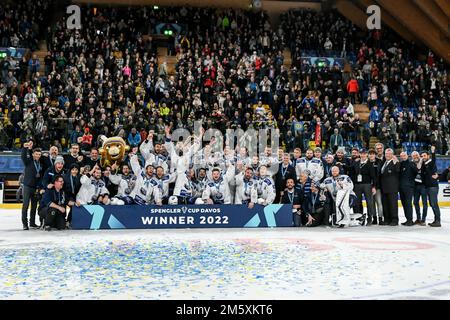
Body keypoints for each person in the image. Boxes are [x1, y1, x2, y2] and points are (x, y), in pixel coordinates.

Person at [20, 141, 43, 230]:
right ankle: (25, 224)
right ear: (33, 154)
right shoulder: (28, 162)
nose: (38, 156)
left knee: (34, 206)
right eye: (36, 154)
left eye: (39, 154)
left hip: (35, 187)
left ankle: (32, 223)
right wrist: (25, 148)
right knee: (25, 205)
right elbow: (23, 156)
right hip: (27, 186)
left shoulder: (40, 163)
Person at [352, 149, 376, 225]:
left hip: (367, 185)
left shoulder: (370, 164)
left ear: (367, 155)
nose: (363, 155)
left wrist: (374, 186)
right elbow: (351, 170)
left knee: (369, 202)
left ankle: (369, 218)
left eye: (364, 154)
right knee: (358, 202)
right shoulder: (356, 163)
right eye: (361, 154)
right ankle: (359, 218)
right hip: (357, 185)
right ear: (360, 154)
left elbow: (373, 176)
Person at [378, 148, 400, 226]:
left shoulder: (395, 162)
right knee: (385, 204)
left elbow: (398, 171)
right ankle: (387, 219)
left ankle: (394, 220)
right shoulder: (384, 162)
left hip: (392, 187)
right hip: (384, 187)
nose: (388, 155)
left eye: (389, 154)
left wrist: (396, 163)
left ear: (392, 155)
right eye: (386, 154)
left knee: (393, 204)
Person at [420, 147, 441, 227]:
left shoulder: (431, 162)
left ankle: (438, 221)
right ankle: (436, 220)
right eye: (422, 156)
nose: (423, 157)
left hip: (433, 187)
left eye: (424, 156)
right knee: (432, 204)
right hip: (428, 187)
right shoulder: (424, 164)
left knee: (434, 204)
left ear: (428, 156)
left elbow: (434, 159)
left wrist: (433, 152)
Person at [399, 152, 418, 226]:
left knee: (408, 203)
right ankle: (408, 219)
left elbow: (417, 172)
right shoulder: (400, 164)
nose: (403, 157)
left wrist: (411, 181)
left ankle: (410, 220)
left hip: (409, 187)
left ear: (407, 156)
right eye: (401, 156)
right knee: (404, 204)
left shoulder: (411, 163)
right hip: (401, 187)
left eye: (404, 155)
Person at [411, 151, 427, 226]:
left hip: (423, 185)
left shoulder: (424, 162)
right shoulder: (411, 163)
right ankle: (418, 218)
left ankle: (423, 219)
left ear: (418, 155)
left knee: (424, 203)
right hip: (415, 186)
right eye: (413, 156)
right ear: (412, 157)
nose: (415, 156)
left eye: (416, 155)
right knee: (415, 202)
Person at [369, 148, 383, 225]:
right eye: (370, 154)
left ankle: (380, 218)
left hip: (377, 186)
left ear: (375, 155)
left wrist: (375, 186)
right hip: (369, 186)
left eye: (373, 154)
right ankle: (374, 218)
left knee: (379, 202)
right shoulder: (367, 162)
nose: (371, 155)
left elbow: (379, 176)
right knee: (372, 203)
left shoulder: (379, 162)